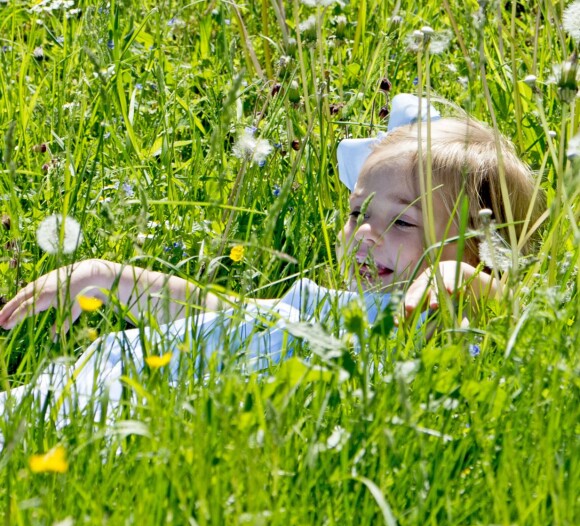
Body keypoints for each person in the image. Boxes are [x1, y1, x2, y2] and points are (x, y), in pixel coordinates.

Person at [0, 94, 543, 421]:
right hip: (103, 389)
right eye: (358, 212)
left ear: (483, 246)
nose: (365, 235)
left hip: (139, 419)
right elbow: (221, 319)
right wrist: (111, 278)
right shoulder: (328, 308)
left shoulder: (446, 335)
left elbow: (529, 328)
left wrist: (465, 281)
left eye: (402, 220)